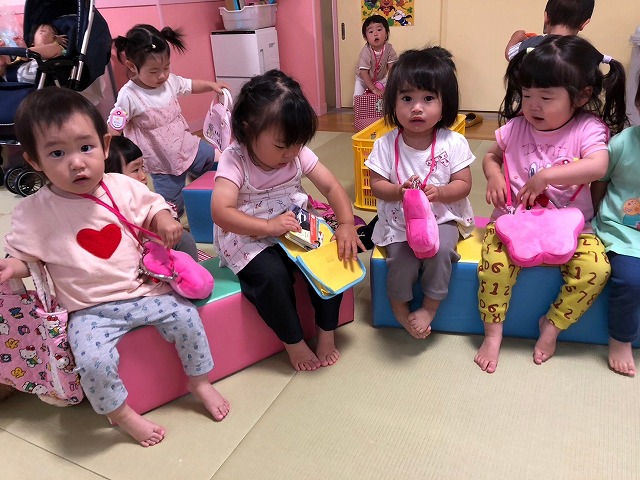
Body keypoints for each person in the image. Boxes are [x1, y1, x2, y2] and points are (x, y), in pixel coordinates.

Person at [1, 87, 230, 447]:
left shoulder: (121, 186)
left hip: (144, 290)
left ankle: (199, 381)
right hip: (89, 310)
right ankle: (121, 413)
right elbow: (23, 257)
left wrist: (164, 220)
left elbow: (152, 206)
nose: (76, 163)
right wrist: (11, 268)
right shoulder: (34, 212)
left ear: (105, 145)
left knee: (187, 319)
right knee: (91, 361)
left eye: (85, 147)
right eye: (57, 153)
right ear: (34, 161)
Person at [475, 35, 627, 374]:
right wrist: (494, 175)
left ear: (582, 95)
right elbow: (491, 156)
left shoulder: (587, 128)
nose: (533, 106)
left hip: (574, 227)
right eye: (527, 95)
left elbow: (599, 166)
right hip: (515, 221)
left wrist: (546, 176)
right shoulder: (517, 126)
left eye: (545, 98)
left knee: (597, 270)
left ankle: (553, 325)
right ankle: (493, 333)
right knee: (493, 265)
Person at [211, 69, 365, 372]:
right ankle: (293, 342)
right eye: (282, 146)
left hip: (295, 225)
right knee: (272, 277)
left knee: (333, 257)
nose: (291, 153)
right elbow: (221, 212)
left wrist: (346, 224)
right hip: (249, 233)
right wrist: (268, 227)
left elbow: (332, 187)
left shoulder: (297, 152)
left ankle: (326, 331)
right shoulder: (235, 159)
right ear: (248, 130)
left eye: (298, 143)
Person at [365, 47, 475, 339]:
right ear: (392, 102)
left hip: (441, 218)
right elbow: (376, 184)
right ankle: (399, 307)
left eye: (428, 98)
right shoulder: (385, 144)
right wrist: (398, 190)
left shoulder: (453, 142)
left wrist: (441, 191)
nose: (416, 108)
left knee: (441, 252)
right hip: (400, 220)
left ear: (444, 102)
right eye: (406, 99)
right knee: (401, 260)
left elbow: (464, 184)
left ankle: (429, 307)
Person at [110, 24, 228, 217]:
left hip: (187, 145)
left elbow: (190, 85)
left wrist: (211, 85)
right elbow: (115, 125)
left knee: (216, 160)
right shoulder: (129, 95)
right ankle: (173, 224)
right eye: (154, 71)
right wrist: (112, 152)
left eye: (166, 67)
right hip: (162, 162)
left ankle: (210, 195)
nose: (162, 75)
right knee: (171, 207)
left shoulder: (170, 81)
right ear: (132, 66)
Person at [592, 74, 640, 377]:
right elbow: (600, 181)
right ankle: (621, 338)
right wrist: (597, 215)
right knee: (631, 280)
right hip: (622, 232)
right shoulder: (622, 143)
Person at [105, 135, 199, 261]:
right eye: (135, 170)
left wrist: (164, 222)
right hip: (132, 256)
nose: (143, 176)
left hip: (156, 249)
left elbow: (156, 207)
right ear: (113, 175)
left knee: (183, 239)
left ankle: (192, 270)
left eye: (142, 167)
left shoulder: (145, 196)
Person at [505, 0, 594, 61]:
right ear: (584, 23)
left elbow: (510, 54)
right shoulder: (586, 54)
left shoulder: (532, 44)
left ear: (546, 17)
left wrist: (517, 36)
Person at [0, 23, 68, 82]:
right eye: (42, 31)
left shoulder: (57, 48)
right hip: (10, 74)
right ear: (32, 42)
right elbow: (25, 59)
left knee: (55, 49)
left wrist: (56, 43)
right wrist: (22, 49)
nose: (48, 34)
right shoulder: (30, 57)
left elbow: (35, 52)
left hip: (36, 75)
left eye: (53, 34)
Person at [353, 14, 398, 98]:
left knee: (389, 93)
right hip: (363, 79)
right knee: (357, 97)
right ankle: (358, 106)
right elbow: (364, 73)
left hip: (380, 78)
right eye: (371, 32)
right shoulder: (366, 51)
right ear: (365, 37)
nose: (375, 34)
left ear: (386, 33)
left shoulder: (389, 48)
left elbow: (392, 69)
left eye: (379, 30)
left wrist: (389, 86)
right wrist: (374, 89)